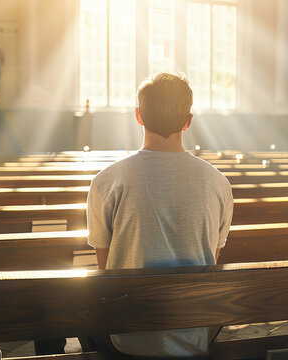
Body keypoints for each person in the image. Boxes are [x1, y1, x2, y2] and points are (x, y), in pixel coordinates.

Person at [87, 72, 234, 358]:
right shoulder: (218, 183)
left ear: (138, 116)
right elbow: (212, 257)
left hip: (126, 336)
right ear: (188, 121)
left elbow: (105, 270)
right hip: (194, 333)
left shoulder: (106, 181)